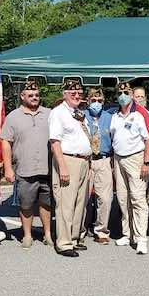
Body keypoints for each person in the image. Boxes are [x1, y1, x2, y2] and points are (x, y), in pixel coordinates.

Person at [2, 80, 54, 248]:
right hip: (25, 169)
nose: (34, 98)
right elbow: (5, 142)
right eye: (30, 95)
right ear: (22, 96)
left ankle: (47, 234)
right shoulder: (13, 117)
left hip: (47, 169)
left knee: (47, 203)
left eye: (37, 95)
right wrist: (8, 168)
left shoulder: (49, 114)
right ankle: (27, 235)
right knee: (26, 204)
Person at [110, 81, 149, 254]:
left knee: (137, 198)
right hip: (118, 159)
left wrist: (146, 162)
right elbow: (114, 137)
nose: (123, 95)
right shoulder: (115, 115)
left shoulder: (140, 113)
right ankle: (127, 233)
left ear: (131, 94)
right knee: (122, 198)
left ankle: (141, 238)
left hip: (136, 158)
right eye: (120, 92)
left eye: (126, 92)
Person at [49, 78, 93, 257]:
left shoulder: (78, 113)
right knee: (65, 204)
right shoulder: (58, 113)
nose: (77, 96)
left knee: (80, 203)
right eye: (72, 93)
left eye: (79, 93)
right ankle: (64, 243)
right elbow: (55, 141)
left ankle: (75, 238)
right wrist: (63, 167)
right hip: (68, 160)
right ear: (65, 94)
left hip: (83, 161)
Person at [83, 86, 114, 244]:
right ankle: (80, 230)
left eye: (99, 101)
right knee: (83, 197)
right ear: (88, 101)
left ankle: (101, 231)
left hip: (103, 160)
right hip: (85, 161)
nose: (96, 103)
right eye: (93, 100)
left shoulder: (110, 118)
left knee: (105, 198)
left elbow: (116, 140)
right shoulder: (80, 116)